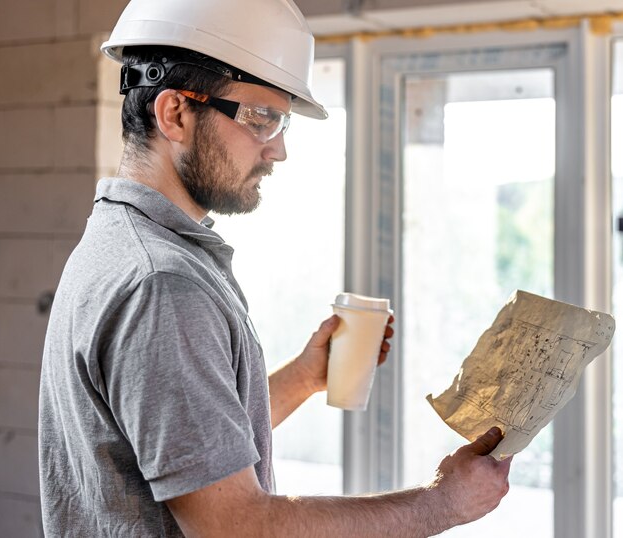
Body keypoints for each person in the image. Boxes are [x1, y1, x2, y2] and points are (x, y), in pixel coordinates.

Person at [38, 0, 512, 536]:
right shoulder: (161, 284)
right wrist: (442, 504)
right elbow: (235, 525)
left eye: (281, 122)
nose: (279, 149)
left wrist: (304, 377)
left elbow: (186, 445)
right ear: (174, 113)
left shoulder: (120, 241)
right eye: (262, 119)